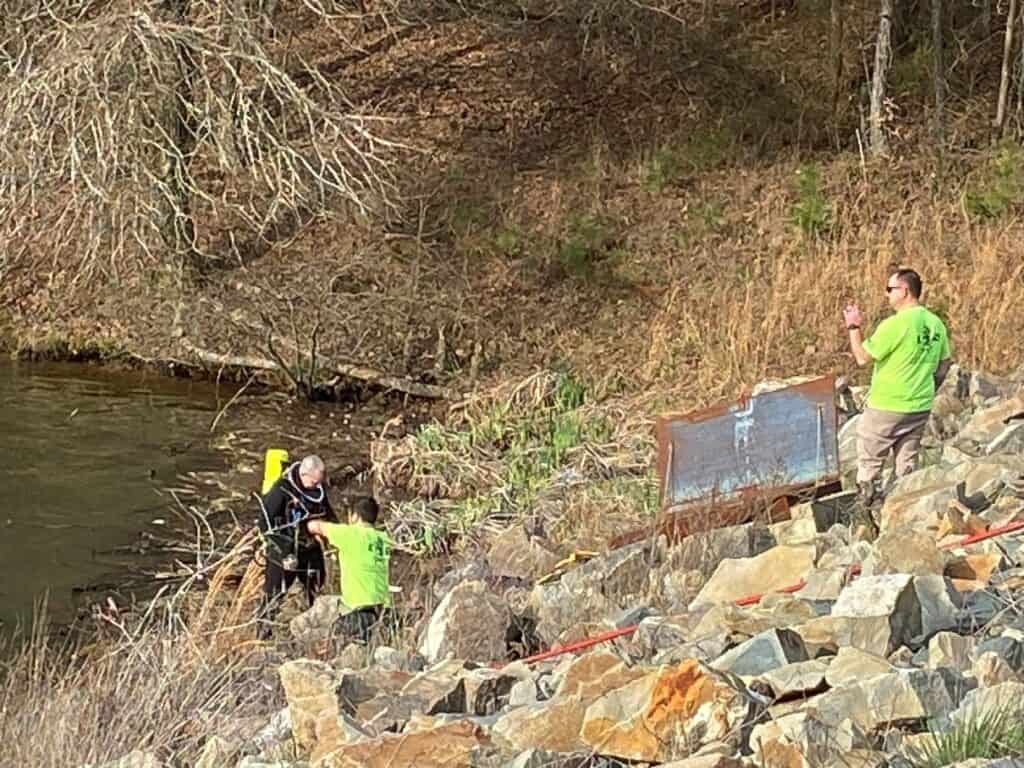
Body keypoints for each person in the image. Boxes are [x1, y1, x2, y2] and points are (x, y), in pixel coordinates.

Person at [842, 268, 952, 530]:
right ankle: (905, 519)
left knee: (869, 461)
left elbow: (861, 357)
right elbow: (944, 364)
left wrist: (853, 326)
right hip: (920, 405)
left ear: (904, 291)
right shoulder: (935, 324)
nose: (887, 295)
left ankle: (865, 521)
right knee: (906, 465)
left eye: (890, 289)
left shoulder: (896, 324)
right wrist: (928, 388)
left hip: (887, 404)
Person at [257, 454, 337, 637]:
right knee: (274, 595)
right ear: (303, 475)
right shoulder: (280, 491)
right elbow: (265, 525)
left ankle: (316, 630)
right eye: (314, 482)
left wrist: (336, 534)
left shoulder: (318, 489)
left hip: (309, 547)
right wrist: (284, 552)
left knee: (316, 586)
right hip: (283, 549)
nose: (316, 486)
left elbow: (327, 512)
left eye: (319, 482)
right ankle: (263, 635)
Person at [307, 496, 392, 642]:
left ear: (355, 516)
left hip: (356, 611)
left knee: (308, 630)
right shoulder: (383, 538)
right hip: (383, 610)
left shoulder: (350, 534)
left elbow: (315, 526)